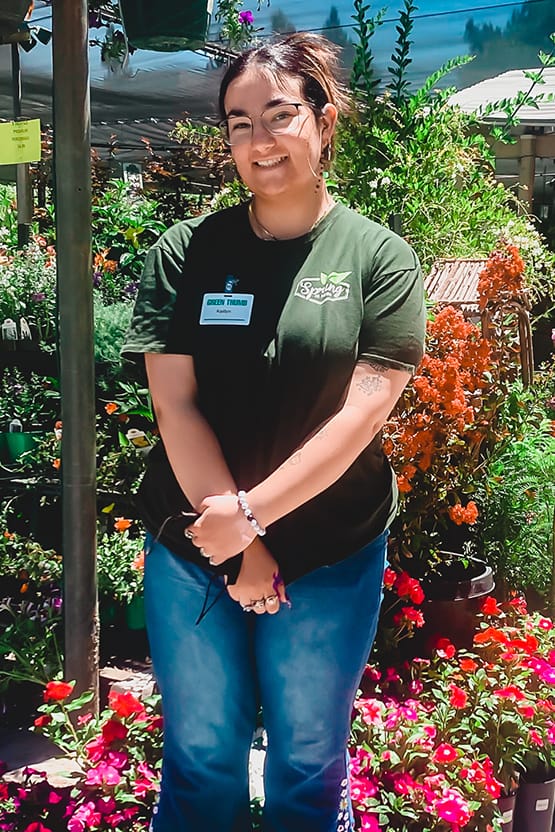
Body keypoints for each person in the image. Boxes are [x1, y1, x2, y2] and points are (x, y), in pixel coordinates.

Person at [122, 32, 426, 832]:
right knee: (201, 756)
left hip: (329, 551)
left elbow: (362, 413)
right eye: (237, 122)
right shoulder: (186, 252)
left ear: (323, 121)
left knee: (307, 761)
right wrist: (237, 538)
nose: (259, 141)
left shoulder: (377, 258)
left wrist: (254, 518)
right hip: (194, 546)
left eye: (279, 114)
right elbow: (174, 405)